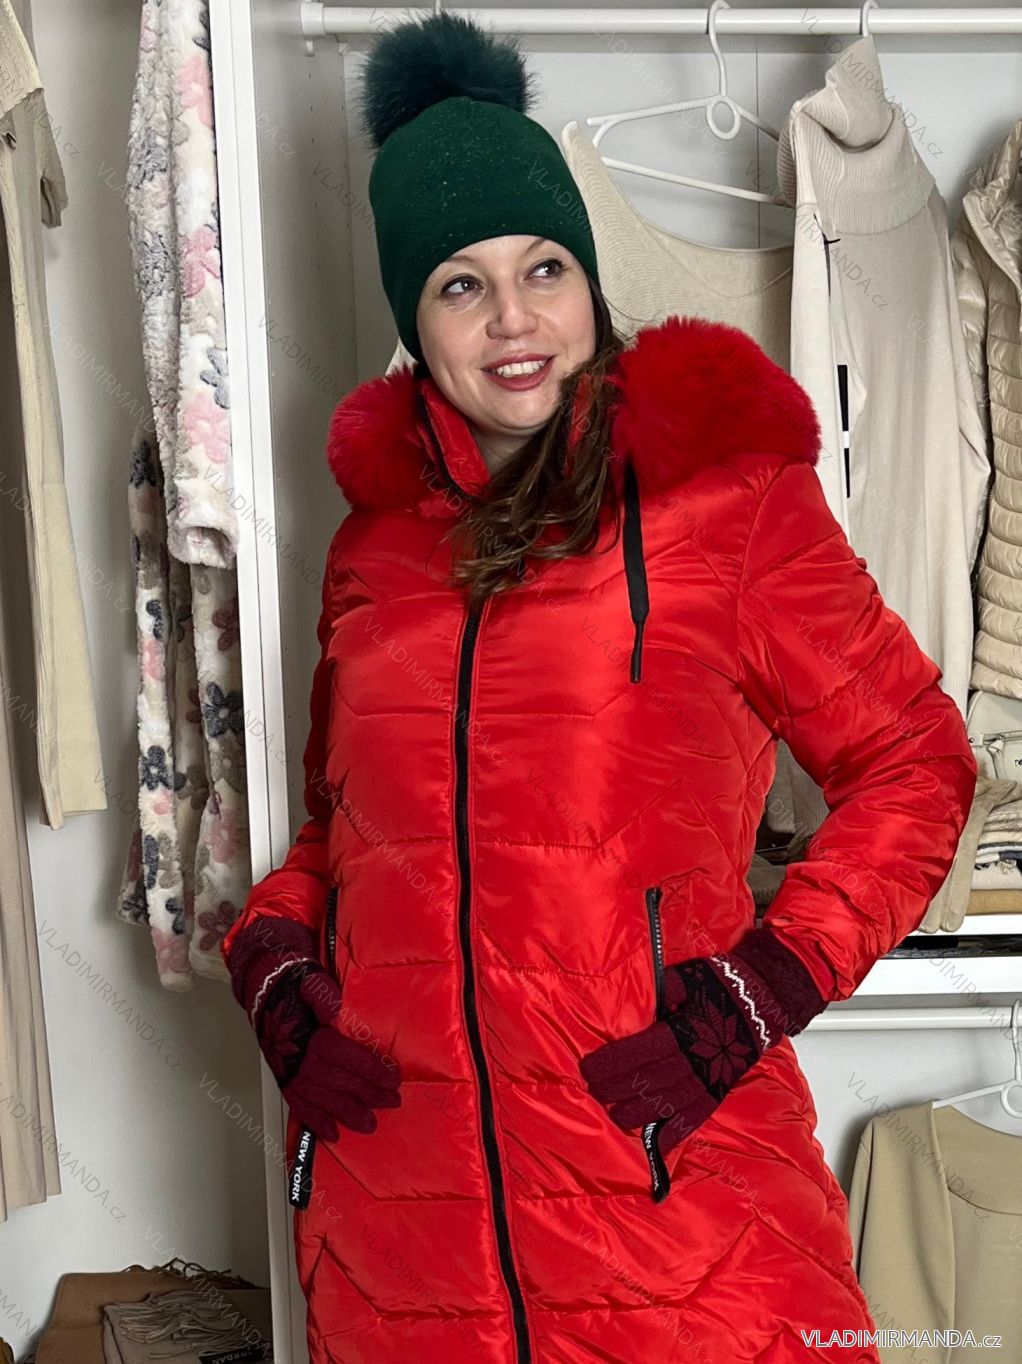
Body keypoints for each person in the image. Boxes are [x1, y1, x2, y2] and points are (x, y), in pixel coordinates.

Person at [222, 13, 978, 1364]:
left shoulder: (727, 506)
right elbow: (346, 839)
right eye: (460, 285)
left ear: (589, 283)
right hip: (404, 1246)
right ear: (414, 321)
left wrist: (759, 988)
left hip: (671, 1216)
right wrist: (276, 963)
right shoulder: (370, 557)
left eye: (544, 268)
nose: (513, 320)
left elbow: (917, 765)